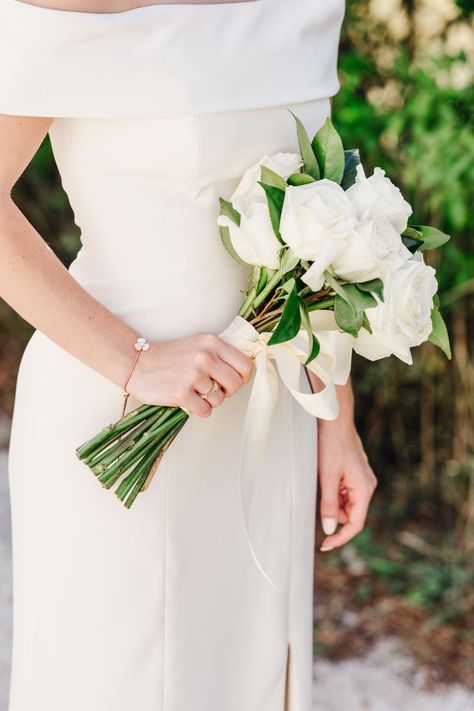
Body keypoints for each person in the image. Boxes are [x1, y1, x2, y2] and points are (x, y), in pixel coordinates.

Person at [0, 1, 377, 709]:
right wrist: (134, 360)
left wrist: (336, 411)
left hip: (269, 420)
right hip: (118, 412)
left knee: (249, 677)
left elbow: (320, 214)